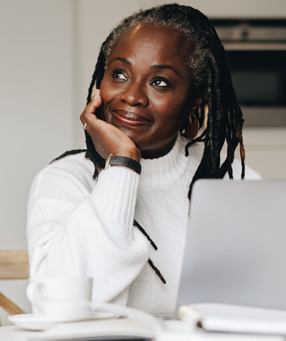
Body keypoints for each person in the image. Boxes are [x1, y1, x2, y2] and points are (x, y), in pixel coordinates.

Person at [27, 3, 260, 319]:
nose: (132, 96)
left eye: (160, 82)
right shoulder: (65, 180)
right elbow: (61, 310)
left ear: (195, 100)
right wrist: (122, 165)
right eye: (120, 74)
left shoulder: (235, 181)